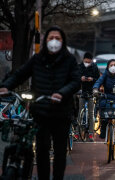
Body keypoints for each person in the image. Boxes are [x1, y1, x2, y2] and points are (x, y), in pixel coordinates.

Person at [0, 26, 80, 180]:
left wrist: (62, 93)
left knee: (59, 152)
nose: (54, 41)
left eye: (58, 38)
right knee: (42, 151)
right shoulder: (37, 59)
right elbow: (20, 74)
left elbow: (75, 81)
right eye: (51, 38)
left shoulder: (69, 60)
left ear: (63, 41)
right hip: (41, 112)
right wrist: (6, 86)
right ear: (46, 41)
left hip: (61, 114)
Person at [74, 52, 100, 142]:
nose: (87, 63)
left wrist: (92, 79)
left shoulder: (95, 67)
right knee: (79, 113)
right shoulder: (79, 67)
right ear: (83, 60)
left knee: (91, 114)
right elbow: (74, 77)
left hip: (91, 92)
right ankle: (77, 134)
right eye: (86, 61)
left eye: (89, 62)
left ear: (91, 61)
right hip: (81, 92)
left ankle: (91, 134)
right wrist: (80, 78)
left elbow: (98, 80)